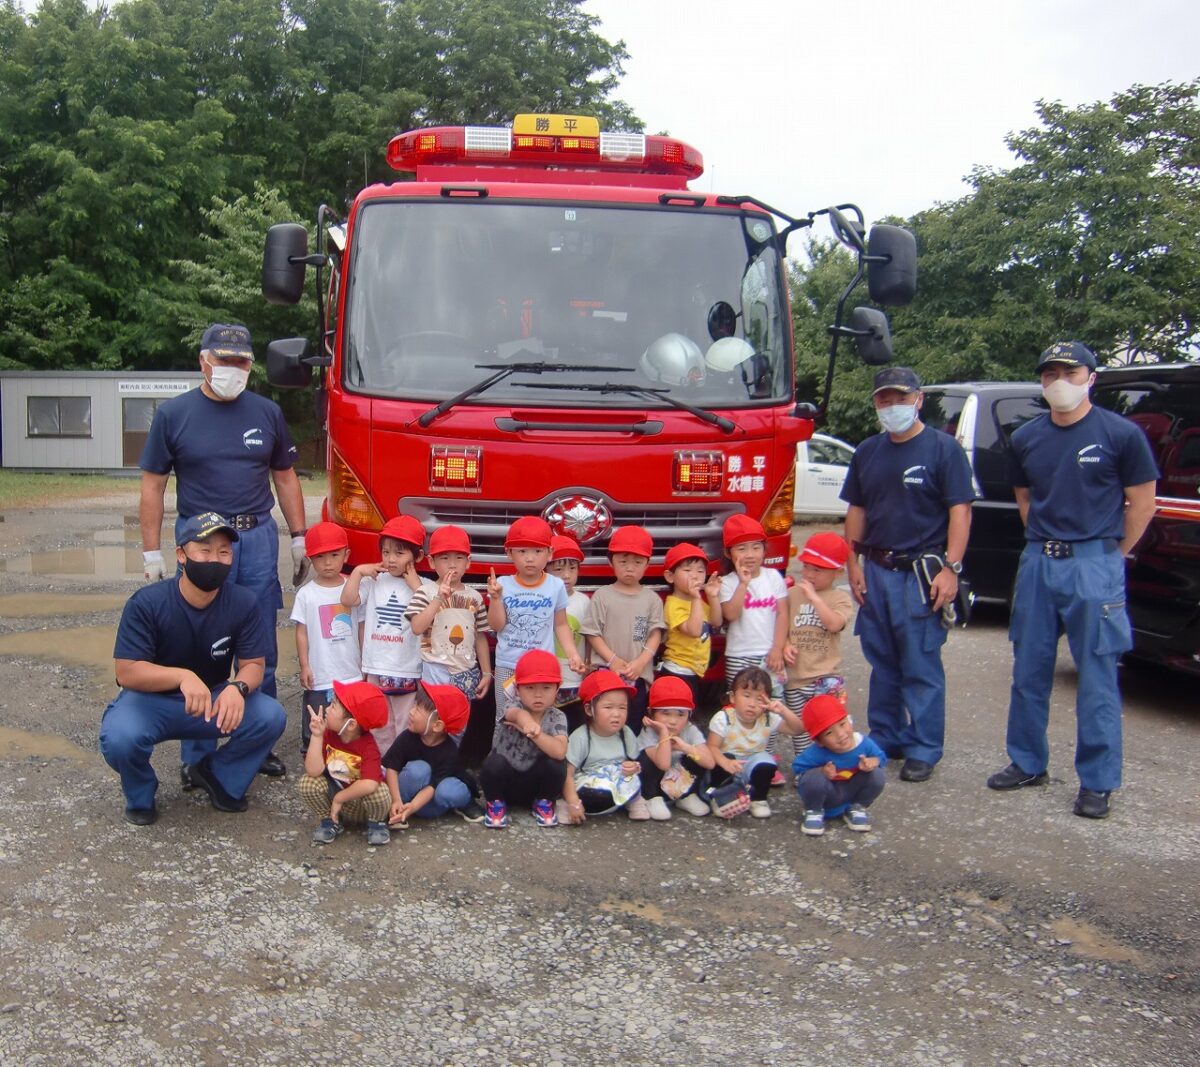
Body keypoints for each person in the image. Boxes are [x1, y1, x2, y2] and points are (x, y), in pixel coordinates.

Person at [987, 341, 1157, 820]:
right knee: (1029, 670)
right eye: (1049, 373)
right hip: (1040, 561)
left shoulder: (1120, 434)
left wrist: (1111, 556)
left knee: (1097, 676)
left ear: (1091, 377)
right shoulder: (1026, 438)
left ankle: (1098, 781)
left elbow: (1142, 505)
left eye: (1069, 371)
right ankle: (1026, 762)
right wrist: (1043, 544)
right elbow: (1025, 499)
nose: (1058, 380)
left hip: (1093, 563)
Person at [139, 323, 306, 780]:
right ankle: (197, 754)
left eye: (241, 362)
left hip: (254, 541)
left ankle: (257, 741)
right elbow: (153, 485)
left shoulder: (267, 413)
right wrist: (152, 553)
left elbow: (286, 477)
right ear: (203, 361)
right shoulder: (174, 415)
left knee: (260, 648)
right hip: (200, 542)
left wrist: (298, 537)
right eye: (224, 360)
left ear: (251, 366)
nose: (233, 369)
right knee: (196, 648)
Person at [100, 512, 287, 825]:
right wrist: (182, 676)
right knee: (120, 736)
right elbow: (127, 672)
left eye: (224, 552)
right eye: (205, 550)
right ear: (181, 555)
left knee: (270, 716)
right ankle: (140, 791)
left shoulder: (244, 602)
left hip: (211, 700)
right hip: (152, 701)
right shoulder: (147, 603)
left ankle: (216, 773)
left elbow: (254, 664)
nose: (215, 559)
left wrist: (237, 688)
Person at [841, 366, 974, 783]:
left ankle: (924, 746)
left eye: (900, 398)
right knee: (882, 661)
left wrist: (951, 569)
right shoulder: (867, 452)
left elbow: (960, 511)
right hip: (877, 570)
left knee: (920, 663)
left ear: (918, 400)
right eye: (884, 399)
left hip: (920, 571)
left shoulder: (943, 449)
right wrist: (852, 563)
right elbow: (857, 510)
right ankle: (887, 736)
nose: (892, 406)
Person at [341, 516, 425, 755]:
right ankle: (380, 768)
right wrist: (357, 572)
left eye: (399, 554)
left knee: (405, 722)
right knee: (379, 721)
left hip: (406, 668)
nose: (390, 559)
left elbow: (432, 613)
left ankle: (401, 768)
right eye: (386, 552)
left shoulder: (423, 585)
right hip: (376, 666)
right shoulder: (374, 581)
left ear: (417, 557)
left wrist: (416, 586)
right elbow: (347, 601)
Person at [487, 516, 585, 719]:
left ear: (549, 553)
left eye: (537, 551)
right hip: (508, 664)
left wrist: (573, 654)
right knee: (504, 717)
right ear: (509, 553)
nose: (530, 558)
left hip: (542, 667)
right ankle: (502, 752)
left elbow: (561, 624)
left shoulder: (555, 585)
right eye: (522, 551)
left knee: (540, 717)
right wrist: (495, 599)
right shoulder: (503, 584)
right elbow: (496, 626)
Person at [579, 525, 666, 733]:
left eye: (637, 562)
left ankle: (629, 761)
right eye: (623, 561)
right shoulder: (603, 595)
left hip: (637, 675)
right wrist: (612, 661)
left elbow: (655, 633)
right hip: (605, 672)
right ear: (611, 562)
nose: (630, 568)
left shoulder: (651, 599)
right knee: (602, 722)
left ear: (647, 564)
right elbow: (593, 633)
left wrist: (641, 662)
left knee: (633, 724)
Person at [290, 522, 362, 758]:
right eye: (320, 557)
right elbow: (302, 631)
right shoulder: (306, 594)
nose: (328, 563)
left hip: (350, 672)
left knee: (351, 722)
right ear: (310, 559)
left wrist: (364, 659)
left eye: (334, 555)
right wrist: (305, 665)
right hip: (320, 673)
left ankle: (348, 758)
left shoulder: (354, 587)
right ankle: (313, 758)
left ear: (346, 555)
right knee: (316, 718)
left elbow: (360, 625)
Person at [782, 531, 856, 754]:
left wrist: (814, 598)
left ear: (837, 573)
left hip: (827, 677)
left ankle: (837, 766)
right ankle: (807, 770)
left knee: (832, 728)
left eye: (818, 570)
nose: (810, 574)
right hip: (796, 677)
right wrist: (785, 644)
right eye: (806, 567)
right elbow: (782, 625)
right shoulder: (792, 594)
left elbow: (834, 624)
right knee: (802, 730)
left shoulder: (840, 598)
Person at [405, 525, 492, 709]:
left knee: (459, 724)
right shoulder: (425, 591)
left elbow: (480, 636)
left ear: (468, 562)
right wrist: (438, 598)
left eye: (459, 558)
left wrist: (486, 673)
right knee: (433, 718)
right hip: (435, 668)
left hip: (466, 670)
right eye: (444, 558)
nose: (452, 565)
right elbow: (417, 627)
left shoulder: (475, 597)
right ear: (431, 562)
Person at [480, 649, 569, 829]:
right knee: (492, 764)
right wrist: (526, 721)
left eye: (546, 688)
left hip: (535, 782)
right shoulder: (513, 704)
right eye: (530, 688)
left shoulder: (557, 716)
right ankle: (495, 804)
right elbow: (515, 714)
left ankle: (544, 803)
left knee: (558, 765)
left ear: (557, 689)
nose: (538, 695)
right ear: (518, 690)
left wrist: (536, 734)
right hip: (508, 779)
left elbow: (559, 751)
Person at [298, 679, 393, 846]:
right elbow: (313, 771)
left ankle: (376, 823)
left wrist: (339, 798)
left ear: (351, 724)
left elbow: (370, 784)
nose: (327, 709)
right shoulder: (328, 734)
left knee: (380, 791)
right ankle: (330, 821)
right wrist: (317, 736)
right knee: (307, 782)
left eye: (333, 706)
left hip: (363, 805)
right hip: (339, 802)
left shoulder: (368, 745)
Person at [705, 665, 806, 819]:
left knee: (767, 763)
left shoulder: (767, 718)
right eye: (746, 695)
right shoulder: (723, 718)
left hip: (752, 762)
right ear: (733, 697)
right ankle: (720, 797)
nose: (752, 703)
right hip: (728, 760)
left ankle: (758, 799)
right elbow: (711, 747)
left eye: (759, 698)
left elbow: (797, 729)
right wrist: (725, 762)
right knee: (720, 763)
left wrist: (782, 710)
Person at [381, 682, 483, 825]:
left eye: (417, 709)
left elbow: (433, 786)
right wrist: (397, 800)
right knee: (418, 769)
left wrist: (413, 807)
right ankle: (398, 809)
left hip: (432, 805)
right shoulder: (407, 738)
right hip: (408, 798)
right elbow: (391, 767)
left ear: (437, 725)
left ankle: (465, 804)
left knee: (448, 790)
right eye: (414, 705)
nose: (411, 711)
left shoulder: (449, 751)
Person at [793, 694, 887, 837]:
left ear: (849, 720)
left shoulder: (863, 743)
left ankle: (857, 807)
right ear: (819, 741)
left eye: (842, 724)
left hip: (852, 789)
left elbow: (881, 757)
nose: (841, 734)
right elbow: (798, 768)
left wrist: (872, 762)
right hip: (827, 793)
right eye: (829, 733)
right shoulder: (817, 752)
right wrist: (821, 771)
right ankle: (814, 811)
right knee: (812, 777)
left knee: (877, 775)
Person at [560, 670, 644, 823]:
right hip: (590, 780)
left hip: (616, 778)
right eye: (608, 707)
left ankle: (634, 801)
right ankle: (570, 805)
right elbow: (568, 774)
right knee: (593, 792)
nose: (616, 714)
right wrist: (573, 801)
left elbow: (634, 761)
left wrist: (632, 767)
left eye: (622, 708)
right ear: (588, 709)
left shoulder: (626, 733)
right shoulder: (581, 737)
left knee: (633, 778)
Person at [719, 515, 789, 695]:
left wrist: (778, 648)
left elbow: (782, 614)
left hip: (770, 653)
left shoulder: (773, 576)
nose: (750, 555)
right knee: (741, 702)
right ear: (729, 553)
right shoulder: (727, 582)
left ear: (765, 550)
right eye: (741, 549)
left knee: (774, 702)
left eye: (756, 548)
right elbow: (731, 615)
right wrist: (743, 583)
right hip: (738, 654)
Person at [636, 675, 715, 820]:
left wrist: (686, 747)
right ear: (651, 712)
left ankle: (685, 795)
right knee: (644, 761)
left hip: (680, 780)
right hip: (656, 782)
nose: (673, 721)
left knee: (695, 755)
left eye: (681, 714)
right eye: (665, 713)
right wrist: (664, 734)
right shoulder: (648, 732)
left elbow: (710, 763)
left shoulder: (689, 729)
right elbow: (663, 764)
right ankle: (652, 798)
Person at [658, 542, 722, 711]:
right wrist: (696, 598)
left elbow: (716, 622)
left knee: (686, 712)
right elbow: (694, 631)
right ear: (670, 576)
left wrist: (712, 596)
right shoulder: (673, 604)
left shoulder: (699, 602)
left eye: (700, 571)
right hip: (677, 670)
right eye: (687, 571)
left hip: (692, 670)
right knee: (676, 712)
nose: (695, 576)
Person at [547, 534, 590, 725]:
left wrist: (588, 665)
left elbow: (589, 636)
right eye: (558, 569)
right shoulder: (543, 599)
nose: (566, 575)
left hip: (575, 678)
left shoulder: (584, 601)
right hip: (548, 678)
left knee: (573, 721)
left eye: (572, 568)